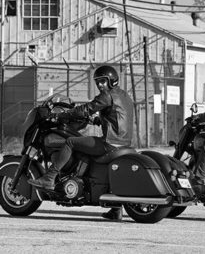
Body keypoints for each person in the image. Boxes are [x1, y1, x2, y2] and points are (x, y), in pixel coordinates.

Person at [28, 65, 134, 221]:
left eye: (103, 81)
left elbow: (85, 109)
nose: (100, 85)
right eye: (97, 82)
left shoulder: (107, 95)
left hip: (110, 143)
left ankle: (49, 178)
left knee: (71, 142)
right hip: (124, 143)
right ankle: (116, 209)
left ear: (112, 81)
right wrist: (97, 120)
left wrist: (61, 116)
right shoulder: (124, 95)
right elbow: (116, 116)